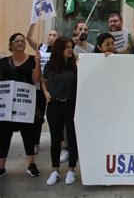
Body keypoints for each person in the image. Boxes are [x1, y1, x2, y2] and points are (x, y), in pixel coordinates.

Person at [0, 33, 41, 178]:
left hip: (25, 104)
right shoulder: (3, 62)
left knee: (28, 134)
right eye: (16, 41)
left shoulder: (31, 60)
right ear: (11, 45)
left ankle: (31, 164)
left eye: (22, 41)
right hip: (7, 105)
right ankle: (1, 167)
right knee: (3, 135)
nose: (20, 43)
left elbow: (36, 79)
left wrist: (37, 62)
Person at [42, 37, 78, 185]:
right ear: (59, 49)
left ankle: (71, 170)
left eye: (71, 47)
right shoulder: (50, 65)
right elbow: (44, 81)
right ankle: (55, 170)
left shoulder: (75, 65)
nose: (70, 49)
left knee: (72, 137)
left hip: (71, 105)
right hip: (54, 105)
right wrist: (45, 93)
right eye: (67, 47)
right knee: (55, 139)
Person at [25, 25, 58, 155]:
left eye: (55, 35)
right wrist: (33, 24)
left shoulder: (59, 51)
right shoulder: (40, 49)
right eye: (50, 34)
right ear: (46, 37)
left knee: (56, 117)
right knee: (37, 116)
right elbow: (28, 38)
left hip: (54, 88)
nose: (52, 37)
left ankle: (59, 142)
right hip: (39, 88)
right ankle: (35, 142)